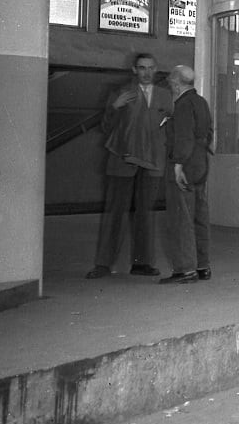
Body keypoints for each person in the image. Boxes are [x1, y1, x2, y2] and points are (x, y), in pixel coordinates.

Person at [87, 53, 173, 279]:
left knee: (145, 214)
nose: (146, 72)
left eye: (151, 68)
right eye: (142, 68)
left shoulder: (166, 96)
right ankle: (104, 265)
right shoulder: (120, 94)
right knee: (115, 213)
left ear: (156, 69)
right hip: (122, 161)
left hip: (152, 162)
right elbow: (106, 128)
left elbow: (170, 128)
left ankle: (142, 264)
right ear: (134, 70)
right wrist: (114, 108)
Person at [159, 65, 213, 284]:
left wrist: (178, 164)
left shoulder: (182, 105)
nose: (170, 83)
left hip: (187, 162)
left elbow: (184, 138)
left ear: (177, 82)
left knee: (182, 216)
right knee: (200, 215)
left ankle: (185, 269)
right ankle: (203, 266)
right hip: (202, 162)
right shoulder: (201, 102)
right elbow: (207, 134)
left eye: (172, 80)